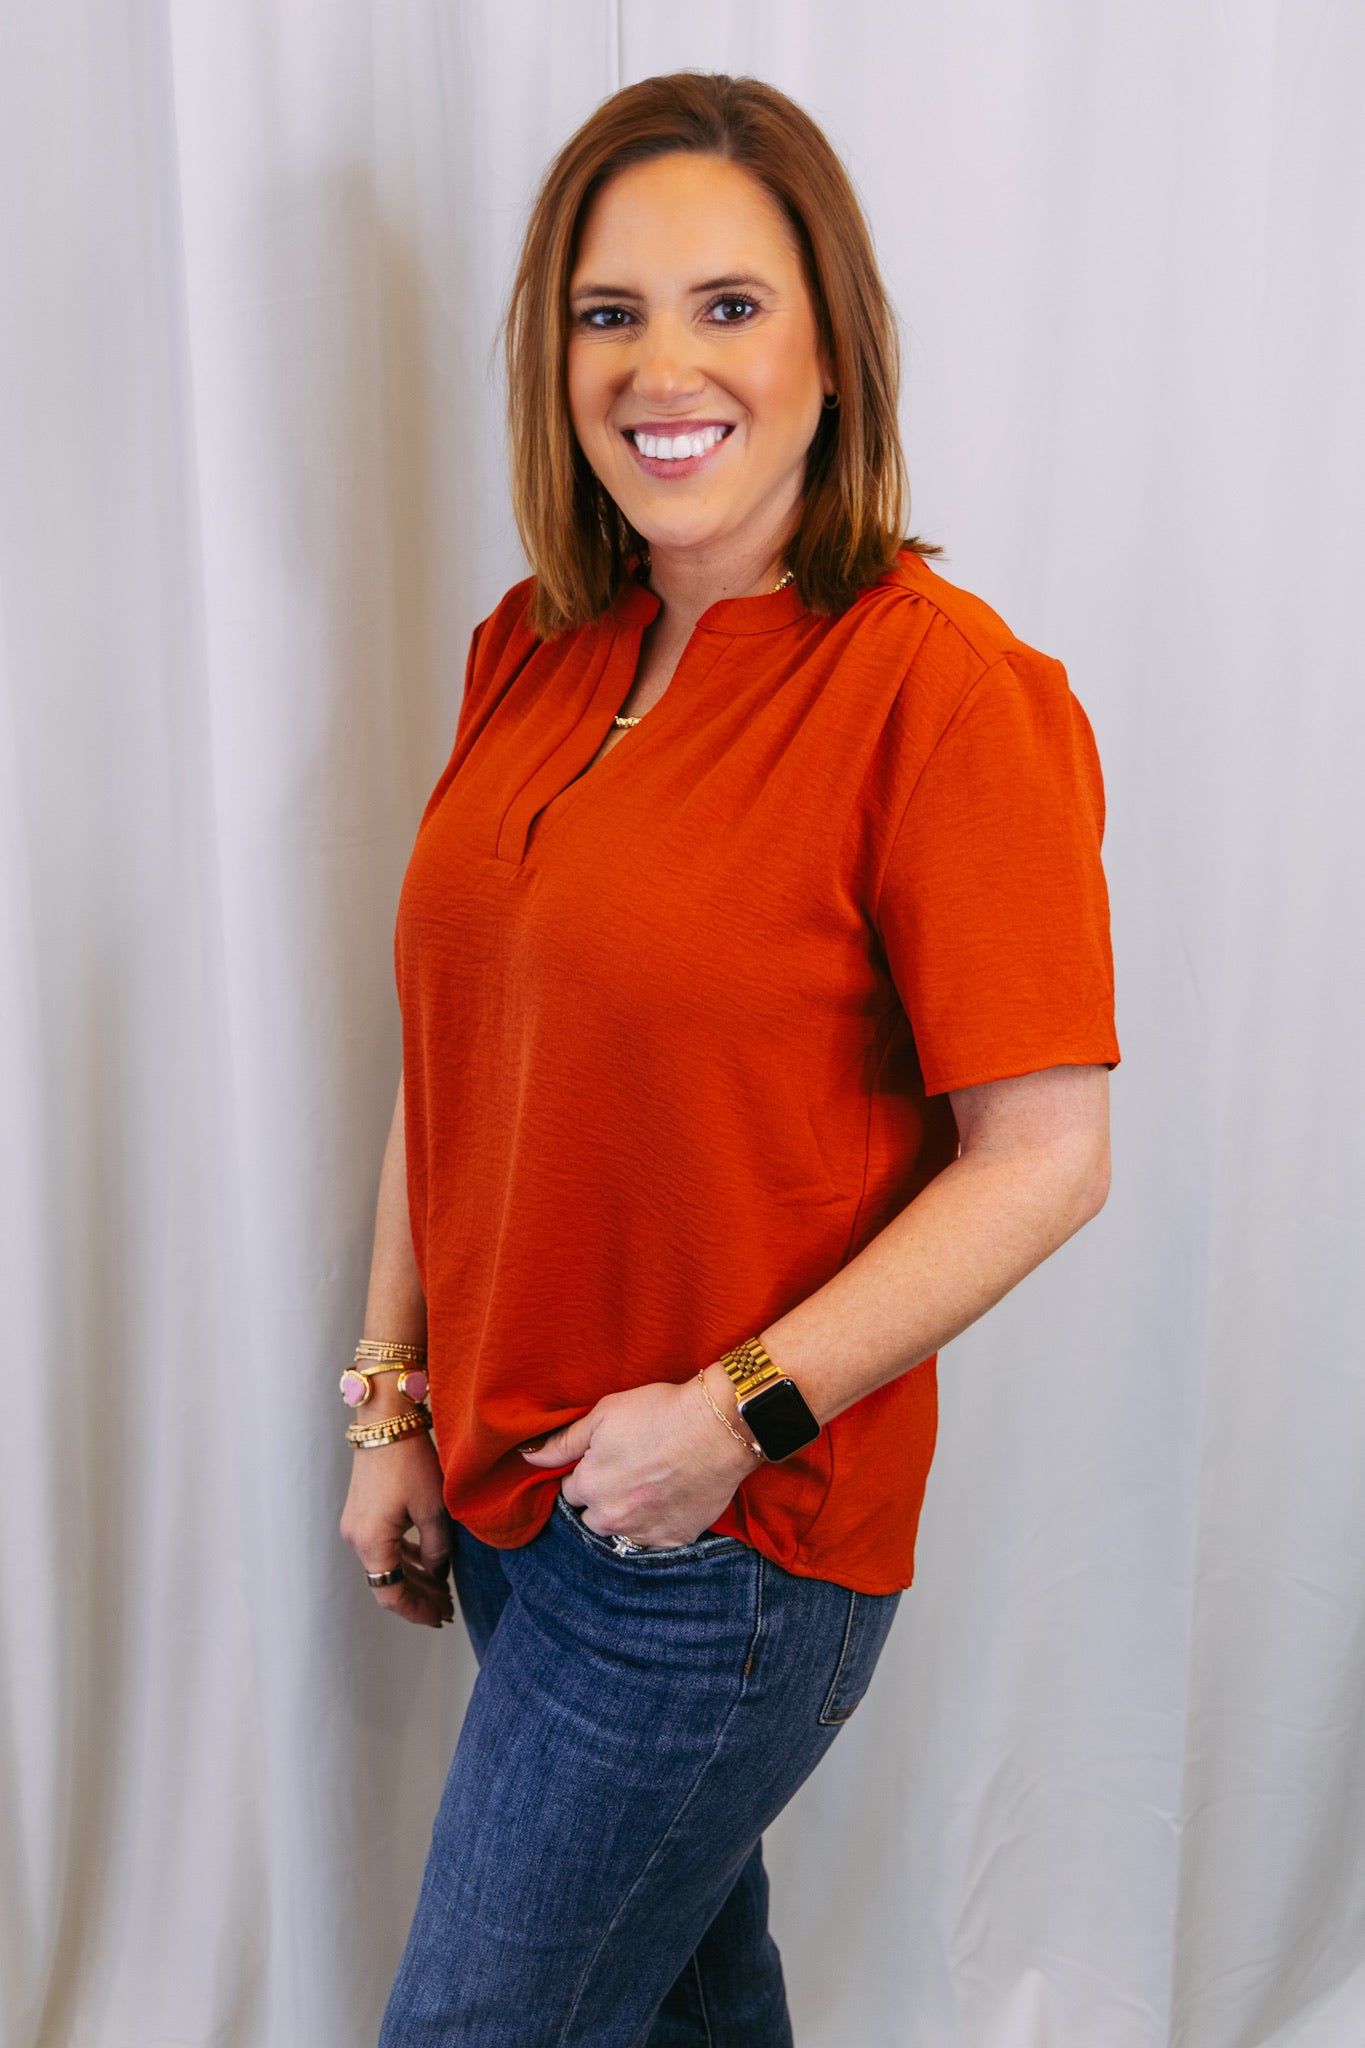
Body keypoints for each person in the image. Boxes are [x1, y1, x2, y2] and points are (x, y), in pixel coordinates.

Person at [339, 70, 1119, 2048]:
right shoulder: (533, 644)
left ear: (830, 346)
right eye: (607, 312)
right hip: (521, 1493)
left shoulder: (939, 693)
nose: (657, 364)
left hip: (724, 1541)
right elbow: (455, 1056)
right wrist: (390, 1401)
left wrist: (729, 1414)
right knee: (687, 2003)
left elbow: (1041, 1152)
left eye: (725, 304)